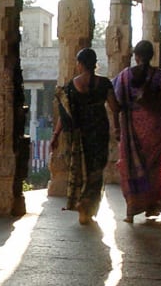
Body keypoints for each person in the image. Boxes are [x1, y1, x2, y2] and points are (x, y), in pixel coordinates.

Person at [113, 40, 161, 223]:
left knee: (131, 166)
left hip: (131, 127)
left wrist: (117, 127)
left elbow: (116, 105)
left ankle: (131, 208)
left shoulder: (124, 77)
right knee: (152, 166)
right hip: (153, 126)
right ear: (152, 56)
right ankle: (151, 204)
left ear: (135, 56)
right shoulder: (159, 76)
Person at [51, 48, 120, 225]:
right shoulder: (104, 84)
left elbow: (64, 115)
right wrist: (118, 127)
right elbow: (115, 108)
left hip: (80, 134)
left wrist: (56, 135)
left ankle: (81, 201)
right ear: (95, 63)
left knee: (81, 167)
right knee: (96, 170)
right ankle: (87, 205)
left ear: (80, 64)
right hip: (99, 132)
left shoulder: (71, 87)